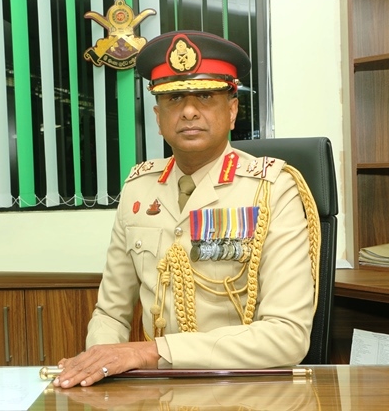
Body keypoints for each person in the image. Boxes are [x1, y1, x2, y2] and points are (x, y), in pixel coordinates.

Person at [53, 30, 319, 389]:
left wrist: (152, 352)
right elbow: (111, 313)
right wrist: (99, 366)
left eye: (205, 96)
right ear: (158, 116)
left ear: (232, 110)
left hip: (244, 389)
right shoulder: (138, 189)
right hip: (156, 390)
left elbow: (287, 336)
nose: (189, 111)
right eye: (174, 98)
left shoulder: (271, 190)